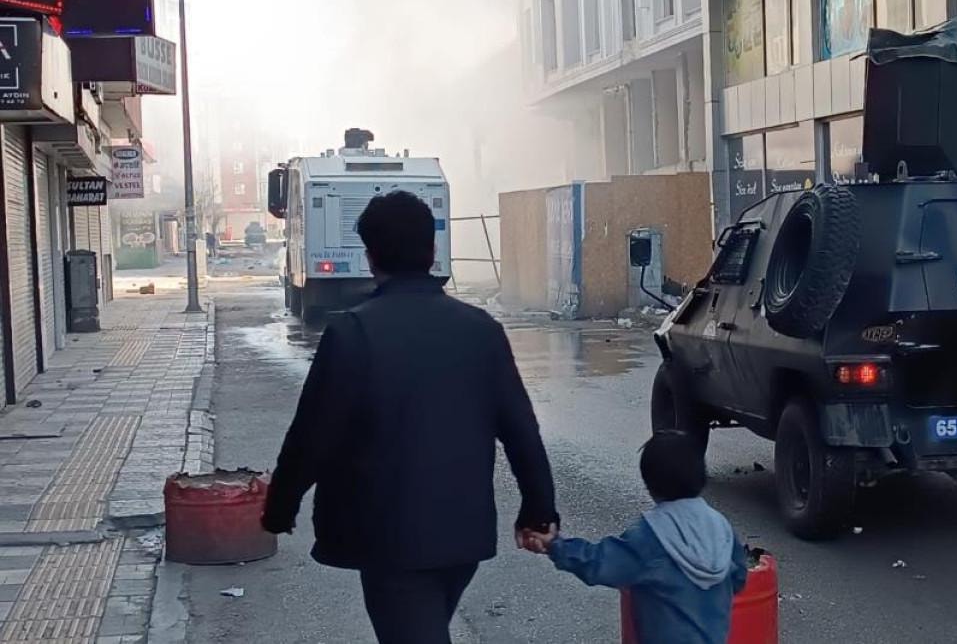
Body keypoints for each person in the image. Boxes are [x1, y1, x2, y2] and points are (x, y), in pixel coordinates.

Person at [261, 190, 559, 644]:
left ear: (370, 257)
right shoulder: (482, 330)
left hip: (387, 538)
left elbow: (312, 437)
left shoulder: (353, 333)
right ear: (432, 250)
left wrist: (280, 507)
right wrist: (538, 509)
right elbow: (521, 431)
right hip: (463, 535)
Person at [526, 431, 747, 644]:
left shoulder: (652, 535)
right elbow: (738, 578)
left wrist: (555, 545)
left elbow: (599, 563)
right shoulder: (721, 527)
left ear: (650, 485)